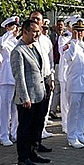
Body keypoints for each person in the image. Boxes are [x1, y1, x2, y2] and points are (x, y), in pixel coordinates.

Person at [11, 19, 49, 165]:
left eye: (38, 31)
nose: (37, 34)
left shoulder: (34, 47)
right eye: (34, 31)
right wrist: (24, 96)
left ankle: (33, 152)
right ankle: (23, 157)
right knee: (25, 128)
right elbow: (19, 76)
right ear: (25, 31)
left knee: (36, 126)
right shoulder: (18, 51)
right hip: (27, 97)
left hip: (39, 94)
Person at [62, 18, 84, 148]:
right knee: (73, 112)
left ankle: (80, 134)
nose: (80, 33)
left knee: (82, 112)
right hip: (75, 85)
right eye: (77, 30)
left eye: (82, 31)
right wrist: (74, 41)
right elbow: (68, 57)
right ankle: (72, 137)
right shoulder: (70, 45)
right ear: (72, 31)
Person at [29, 11, 55, 148]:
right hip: (32, 82)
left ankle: (38, 142)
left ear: (42, 22)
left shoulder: (46, 40)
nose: (36, 21)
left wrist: (51, 78)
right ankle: (29, 147)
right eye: (33, 18)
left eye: (38, 19)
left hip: (45, 80)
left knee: (42, 114)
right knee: (31, 116)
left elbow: (50, 62)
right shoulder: (26, 39)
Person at [0, 16, 20, 147]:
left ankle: (14, 132)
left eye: (16, 26)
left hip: (16, 78)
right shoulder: (3, 39)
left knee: (15, 108)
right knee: (5, 108)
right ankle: (4, 135)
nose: (15, 29)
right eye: (12, 26)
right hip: (6, 78)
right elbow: (1, 45)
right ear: (7, 27)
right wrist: (10, 33)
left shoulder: (17, 42)